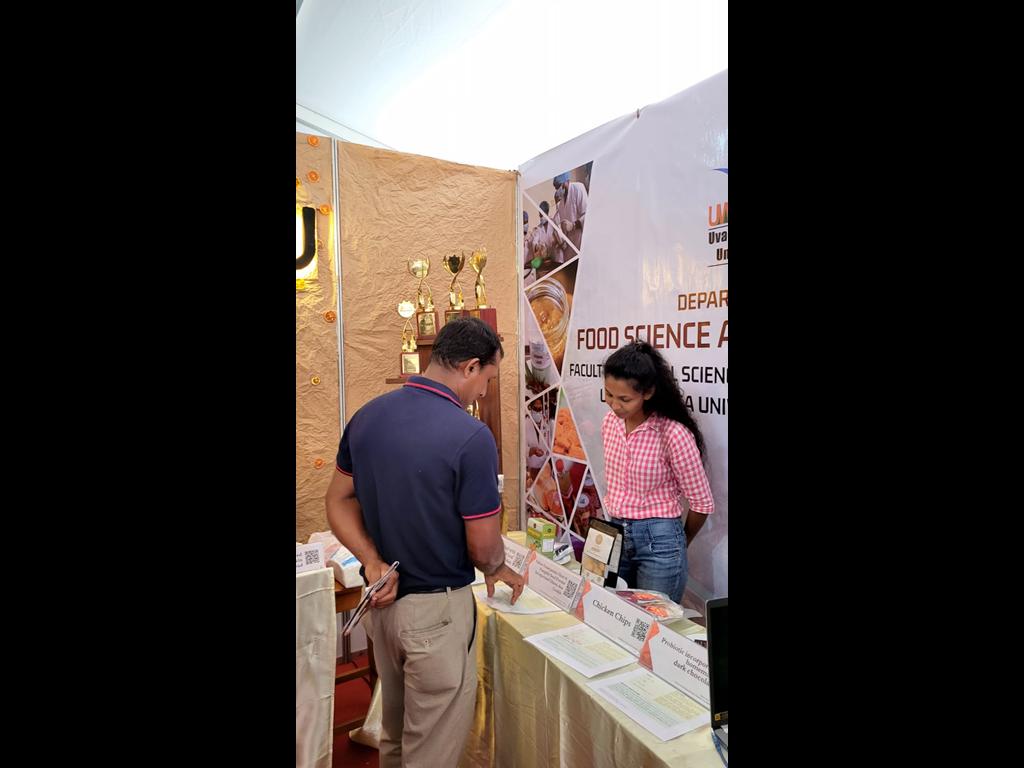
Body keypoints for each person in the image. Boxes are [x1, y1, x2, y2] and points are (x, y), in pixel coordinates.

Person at [326, 317, 525, 768]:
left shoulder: (367, 416)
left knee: (395, 736)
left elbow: (336, 500)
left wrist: (371, 560)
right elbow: (483, 548)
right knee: (431, 749)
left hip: (383, 606)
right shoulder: (471, 436)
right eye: (488, 379)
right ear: (470, 367)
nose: (483, 392)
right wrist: (497, 567)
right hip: (437, 613)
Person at [600, 341, 714, 603]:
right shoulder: (610, 423)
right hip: (614, 532)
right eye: (609, 394)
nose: (614, 405)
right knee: (609, 612)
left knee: (654, 621)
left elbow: (702, 503)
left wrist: (678, 543)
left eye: (625, 399)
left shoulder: (673, 433)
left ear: (648, 392)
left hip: (660, 540)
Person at [552, 171, 588, 258]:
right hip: (569, 250)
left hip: (581, 244)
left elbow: (588, 216)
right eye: (556, 188)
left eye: (559, 186)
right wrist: (560, 241)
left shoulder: (578, 188)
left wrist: (574, 225)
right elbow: (563, 227)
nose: (558, 190)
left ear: (566, 181)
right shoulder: (561, 204)